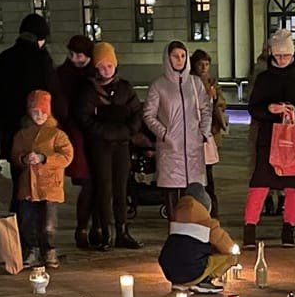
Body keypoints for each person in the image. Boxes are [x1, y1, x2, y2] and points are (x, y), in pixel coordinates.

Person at [244, 28, 295, 246]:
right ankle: (250, 227)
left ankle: (289, 228)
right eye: (277, 56)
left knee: (293, 186)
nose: (281, 59)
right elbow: (253, 108)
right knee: (259, 184)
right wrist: (270, 109)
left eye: (285, 55)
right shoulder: (264, 78)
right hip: (268, 139)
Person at [77, 41, 142, 249]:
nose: (106, 71)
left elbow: (137, 114)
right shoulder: (88, 90)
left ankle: (122, 231)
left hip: (121, 145)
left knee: (121, 189)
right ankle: (104, 232)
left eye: (109, 66)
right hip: (100, 146)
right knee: (104, 188)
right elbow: (84, 118)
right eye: (101, 66)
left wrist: (126, 132)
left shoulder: (125, 88)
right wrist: (105, 132)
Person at [146, 40, 214, 214]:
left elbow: (206, 108)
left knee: (194, 194)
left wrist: (203, 133)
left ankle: (191, 231)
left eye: (183, 56)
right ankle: (174, 230)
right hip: (171, 148)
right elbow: (148, 115)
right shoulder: (158, 85)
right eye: (175, 56)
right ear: (167, 58)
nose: (179, 59)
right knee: (171, 194)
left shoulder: (195, 83)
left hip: (194, 147)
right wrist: (165, 135)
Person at [11, 89, 75, 268]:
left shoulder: (57, 134)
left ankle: (49, 250)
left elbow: (67, 156)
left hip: (49, 186)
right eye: (35, 112)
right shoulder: (22, 135)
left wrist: (45, 159)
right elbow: (15, 155)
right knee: (27, 221)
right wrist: (24, 159)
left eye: (42, 112)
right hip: (28, 186)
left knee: (48, 224)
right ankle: (32, 250)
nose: (39, 116)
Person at [0, 12, 56, 170]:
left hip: (11, 126)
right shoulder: (41, 59)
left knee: (18, 175)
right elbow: (51, 90)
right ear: (40, 38)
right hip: (36, 125)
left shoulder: (5, 57)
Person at [55, 35, 98, 245]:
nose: (74, 58)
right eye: (71, 54)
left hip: (94, 134)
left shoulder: (95, 72)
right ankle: (84, 228)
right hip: (78, 135)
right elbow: (61, 107)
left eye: (79, 55)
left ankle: (94, 228)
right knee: (89, 182)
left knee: (98, 183)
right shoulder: (65, 74)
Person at [159, 185, 239, 293]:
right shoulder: (208, 224)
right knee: (231, 256)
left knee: (183, 253)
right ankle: (203, 281)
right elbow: (227, 246)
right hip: (192, 271)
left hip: (170, 271)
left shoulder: (176, 218)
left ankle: (180, 283)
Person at [192, 48, 227, 206]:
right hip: (195, 132)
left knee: (208, 171)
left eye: (206, 64)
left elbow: (221, 104)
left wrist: (215, 97)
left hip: (211, 133)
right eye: (201, 64)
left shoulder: (212, 82)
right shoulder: (190, 82)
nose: (204, 68)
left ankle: (211, 205)